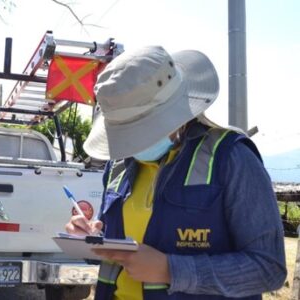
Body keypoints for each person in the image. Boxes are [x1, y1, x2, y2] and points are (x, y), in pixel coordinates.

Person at [65, 46, 286, 300]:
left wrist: (170, 270)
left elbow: (269, 268)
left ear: (176, 113)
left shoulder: (232, 159)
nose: (134, 143)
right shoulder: (118, 166)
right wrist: (91, 240)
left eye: (140, 129)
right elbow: (119, 251)